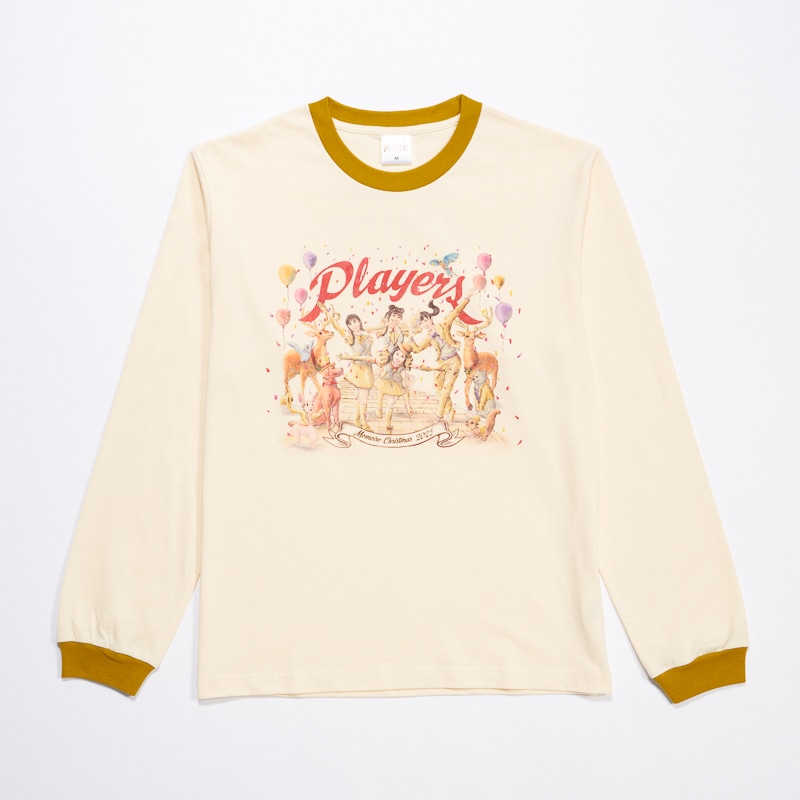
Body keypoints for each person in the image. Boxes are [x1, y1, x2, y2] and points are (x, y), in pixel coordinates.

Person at [406, 287, 478, 420]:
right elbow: (416, 349)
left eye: (426, 320)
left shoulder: (443, 324)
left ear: (430, 319)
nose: (425, 324)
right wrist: (410, 337)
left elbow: (455, 312)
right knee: (437, 387)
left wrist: (466, 297)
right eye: (422, 323)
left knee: (446, 389)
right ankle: (449, 409)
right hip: (442, 363)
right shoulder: (428, 338)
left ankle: (438, 415)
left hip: (454, 361)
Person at [324, 304, 377, 430]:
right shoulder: (350, 336)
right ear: (348, 326)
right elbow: (336, 326)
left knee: (361, 396)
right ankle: (364, 423)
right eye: (350, 323)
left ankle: (356, 420)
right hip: (359, 370)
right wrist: (326, 312)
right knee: (364, 397)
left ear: (359, 321)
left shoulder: (365, 334)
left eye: (355, 321)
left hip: (367, 368)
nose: (354, 325)